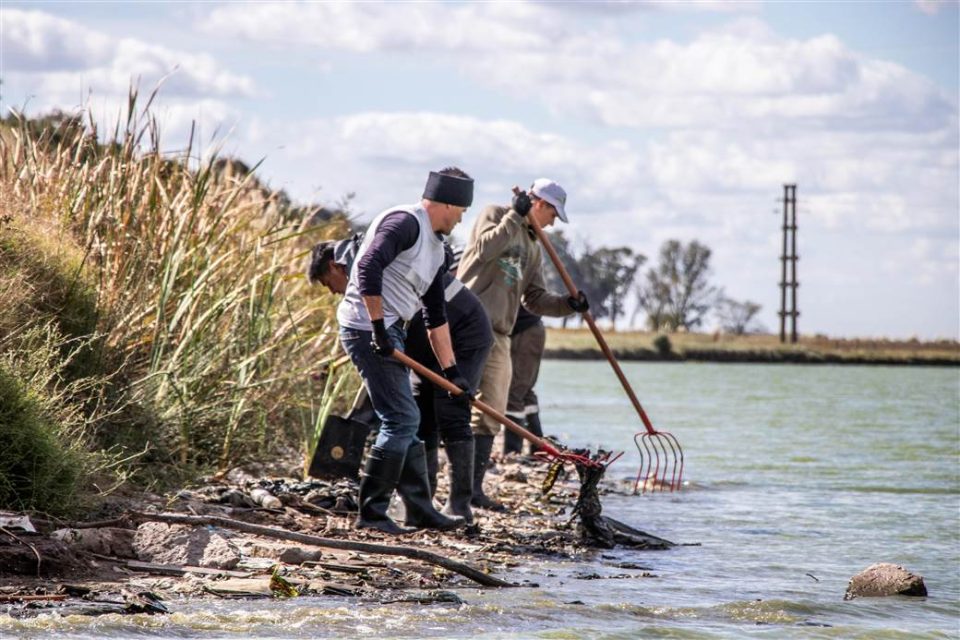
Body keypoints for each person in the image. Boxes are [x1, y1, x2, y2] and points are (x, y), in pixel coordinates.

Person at [310, 238, 493, 525]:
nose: (332, 290)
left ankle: (459, 505)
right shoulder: (362, 274)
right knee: (421, 417)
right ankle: (423, 505)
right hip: (422, 343)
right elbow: (365, 324)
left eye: (326, 281)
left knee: (452, 410)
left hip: (462, 331)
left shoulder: (372, 260)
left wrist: (453, 372)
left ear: (335, 265)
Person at [335, 167, 475, 534]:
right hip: (366, 328)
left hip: (390, 330)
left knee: (405, 419)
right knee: (402, 419)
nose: (462, 219)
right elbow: (367, 266)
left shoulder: (437, 250)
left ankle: (419, 510)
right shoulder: (404, 223)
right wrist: (379, 327)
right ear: (446, 203)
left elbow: (435, 315)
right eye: (460, 211)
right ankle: (372, 514)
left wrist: (452, 373)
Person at [456, 178, 589, 510]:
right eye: (553, 214)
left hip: (500, 333)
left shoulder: (534, 245)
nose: (553, 223)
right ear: (539, 205)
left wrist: (567, 305)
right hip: (465, 324)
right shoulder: (494, 214)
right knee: (455, 405)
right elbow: (484, 250)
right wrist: (514, 216)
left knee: (493, 411)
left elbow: (535, 299)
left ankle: (472, 491)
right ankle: (451, 492)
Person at [503, 305, 545, 456]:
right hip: (525, 329)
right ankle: (538, 448)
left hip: (525, 330)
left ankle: (512, 452)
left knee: (515, 390)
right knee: (524, 391)